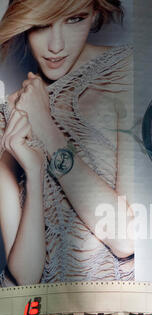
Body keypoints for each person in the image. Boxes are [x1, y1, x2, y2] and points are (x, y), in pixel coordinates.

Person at [0, 0, 135, 287]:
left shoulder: (126, 74)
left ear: (96, 13)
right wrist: (34, 173)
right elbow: (24, 276)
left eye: (75, 19)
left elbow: (126, 238)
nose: (56, 45)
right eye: (42, 24)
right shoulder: (8, 114)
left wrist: (46, 127)